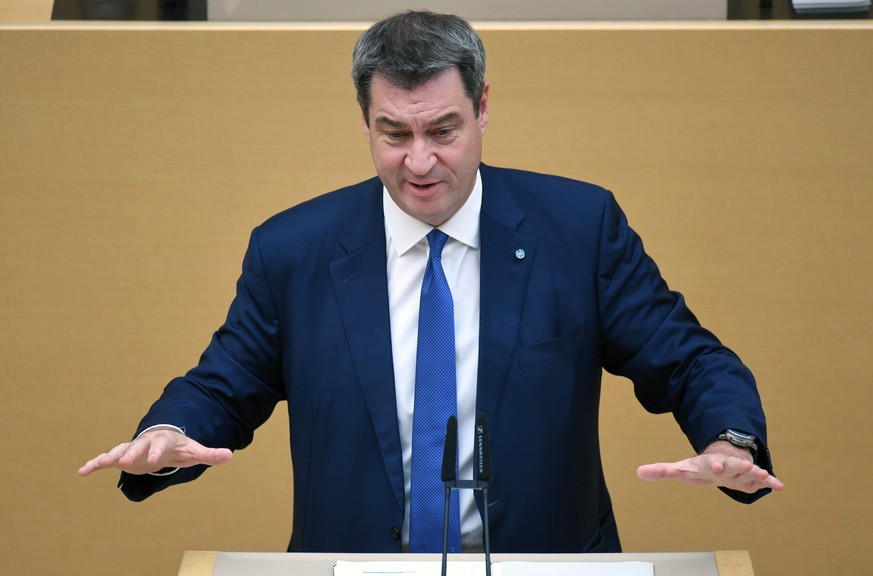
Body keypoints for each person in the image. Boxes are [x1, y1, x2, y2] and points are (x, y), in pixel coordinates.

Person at [78, 10, 783, 554]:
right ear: (364, 122)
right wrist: (169, 433)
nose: (419, 162)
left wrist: (730, 443)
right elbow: (221, 386)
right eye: (394, 133)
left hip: (545, 564)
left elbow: (690, 360)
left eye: (443, 130)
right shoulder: (292, 249)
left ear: (482, 108)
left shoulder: (577, 227)